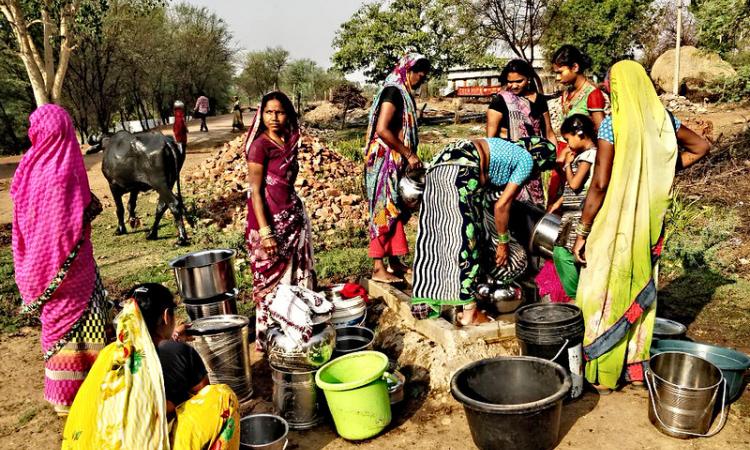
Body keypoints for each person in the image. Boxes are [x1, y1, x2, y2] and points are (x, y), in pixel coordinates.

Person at [572, 61, 710, 393]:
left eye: (609, 87)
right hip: (649, 224)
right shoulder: (666, 121)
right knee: (639, 286)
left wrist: (583, 230)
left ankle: (602, 372)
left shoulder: (611, 126)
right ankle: (634, 366)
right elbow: (701, 147)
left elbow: (600, 183)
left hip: (614, 224)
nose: (607, 93)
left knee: (600, 291)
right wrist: (661, 170)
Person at [11, 104, 110, 415]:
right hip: (75, 267)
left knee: (54, 325)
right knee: (88, 324)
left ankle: (63, 397)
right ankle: (92, 389)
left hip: (41, 269)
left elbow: (23, 217)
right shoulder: (67, 166)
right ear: (66, 129)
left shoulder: (26, 167)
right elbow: (82, 211)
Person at [62, 283, 240, 449]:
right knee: (222, 399)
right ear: (165, 316)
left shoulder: (111, 352)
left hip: (98, 442)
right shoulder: (180, 352)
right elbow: (203, 394)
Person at [411, 136, 556, 325]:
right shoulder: (526, 160)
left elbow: (491, 200)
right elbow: (501, 206)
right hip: (462, 170)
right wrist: (503, 243)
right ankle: (470, 313)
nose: (536, 174)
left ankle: (438, 302)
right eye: (540, 168)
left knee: (441, 238)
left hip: (439, 167)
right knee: (467, 242)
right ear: (540, 158)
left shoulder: (506, 150)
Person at [245, 91, 314, 345]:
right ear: (261, 114)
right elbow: (255, 191)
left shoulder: (289, 141)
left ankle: (298, 330)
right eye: (268, 112)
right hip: (268, 224)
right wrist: (266, 232)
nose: (273, 117)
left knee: (295, 279)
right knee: (269, 285)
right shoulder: (259, 146)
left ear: (288, 114)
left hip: (291, 221)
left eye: (280, 112)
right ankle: (270, 339)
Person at [364, 53, 430, 284]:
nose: (422, 75)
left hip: (394, 159)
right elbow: (382, 129)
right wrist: (408, 153)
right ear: (406, 69)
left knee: (397, 208)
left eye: (424, 71)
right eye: (418, 70)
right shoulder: (393, 91)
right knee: (383, 209)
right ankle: (378, 266)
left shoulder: (402, 92)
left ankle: (394, 262)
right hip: (384, 161)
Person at [541, 114, 598, 302]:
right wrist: (558, 203)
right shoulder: (585, 155)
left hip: (580, 214)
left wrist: (567, 165)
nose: (567, 144)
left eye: (568, 139)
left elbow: (574, 184)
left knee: (563, 252)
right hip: (572, 213)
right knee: (563, 251)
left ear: (579, 134)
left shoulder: (589, 155)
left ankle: (574, 297)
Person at [487, 59, 557, 206]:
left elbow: (549, 132)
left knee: (534, 208)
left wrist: (553, 159)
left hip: (534, 164)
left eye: (519, 81)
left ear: (529, 78)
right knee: (511, 206)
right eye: (509, 82)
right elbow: (491, 140)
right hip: (509, 164)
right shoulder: (500, 101)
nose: (513, 85)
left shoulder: (539, 100)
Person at [548, 45, 607, 206]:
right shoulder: (567, 94)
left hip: (580, 160)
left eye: (560, 72)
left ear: (575, 67)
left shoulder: (593, 94)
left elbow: (602, 132)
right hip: (564, 156)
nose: (558, 78)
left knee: (572, 205)